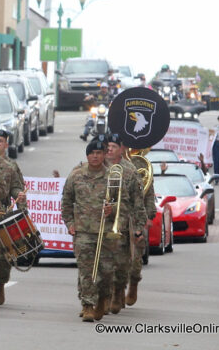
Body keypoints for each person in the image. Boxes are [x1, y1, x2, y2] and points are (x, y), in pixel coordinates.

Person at [60, 139, 117, 322]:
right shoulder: (76, 176)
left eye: (99, 153)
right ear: (87, 155)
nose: (95, 156)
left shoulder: (112, 177)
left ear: (104, 155)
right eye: (92, 153)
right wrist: (70, 223)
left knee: (106, 271)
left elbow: (122, 204)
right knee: (87, 270)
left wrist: (112, 209)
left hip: (105, 232)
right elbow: (66, 202)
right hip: (83, 231)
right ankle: (87, 305)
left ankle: (102, 298)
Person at [103, 135, 148, 313]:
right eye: (108, 146)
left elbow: (139, 203)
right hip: (101, 223)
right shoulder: (97, 167)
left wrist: (138, 228)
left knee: (122, 264)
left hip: (123, 224)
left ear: (121, 149)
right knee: (102, 264)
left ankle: (119, 291)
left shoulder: (130, 171)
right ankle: (103, 297)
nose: (110, 149)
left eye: (114, 146)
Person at [0, 131, 26, 307]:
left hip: (2, 215)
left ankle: (0, 283)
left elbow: (17, 188)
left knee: (3, 258)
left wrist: (22, 207)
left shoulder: (10, 166)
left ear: (4, 145)